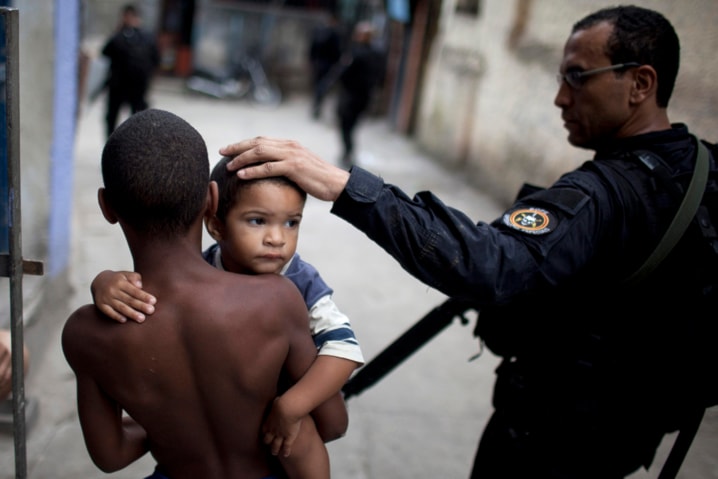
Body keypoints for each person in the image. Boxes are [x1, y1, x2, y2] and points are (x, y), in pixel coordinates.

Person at [217, 6, 718, 479]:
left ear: (641, 83)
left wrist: (345, 187)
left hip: (550, 436)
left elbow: (488, 261)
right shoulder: (705, 171)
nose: (561, 97)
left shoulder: (602, 196)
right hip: (629, 437)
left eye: (576, 76)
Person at [61, 108, 347, 478]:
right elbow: (333, 423)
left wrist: (173, 423)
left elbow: (110, 454)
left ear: (107, 207)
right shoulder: (276, 300)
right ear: (211, 199)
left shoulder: (87, 333)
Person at [91, 155, 364, 452]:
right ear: (216, 226)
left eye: (291, 223)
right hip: (227, 404)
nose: (277, 238)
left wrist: (292, 406)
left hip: (287, 409)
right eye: (257, 221)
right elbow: (153, 299)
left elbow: (344, 350)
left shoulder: (301, 281)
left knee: (303, 446)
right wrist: (106, 282)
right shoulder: (204, 267)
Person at [100, 4, 160, 139]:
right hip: (132, 86)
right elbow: (156, 60)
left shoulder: (120, 36)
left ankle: (119, 146)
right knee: (136, 118)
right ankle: (132, 145)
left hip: (123, 85)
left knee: (124, 118)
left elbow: (105, 52)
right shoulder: (147, 36)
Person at [334, 21, 385, 167]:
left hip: (352, 96)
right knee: (350, 127)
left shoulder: (356, 53)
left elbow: (343, 73)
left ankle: (348, 153)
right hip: (363, 97)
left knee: (346, 127)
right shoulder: (376, 54)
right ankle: (348, 152)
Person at [308, 13, 343, 120]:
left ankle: (316, 106)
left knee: (318, 86)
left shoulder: (319, 31)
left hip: (318, 64)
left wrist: (312, 60)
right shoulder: (334, 34)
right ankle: (317, 106)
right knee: (322, 87)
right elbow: (337, 52)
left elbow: (312, 48)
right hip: (327, 65)